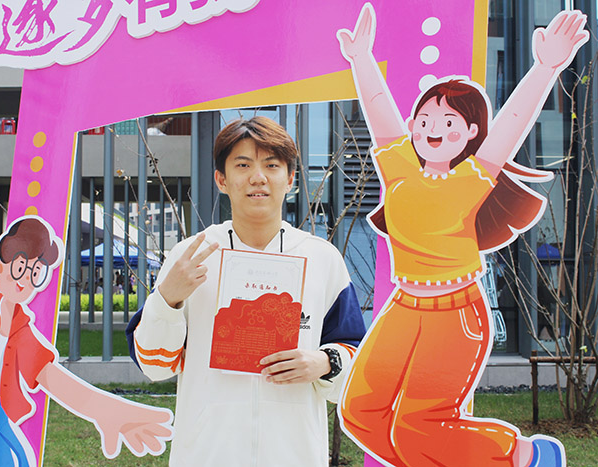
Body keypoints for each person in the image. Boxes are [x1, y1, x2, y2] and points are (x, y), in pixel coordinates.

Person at [336, 5, 588, 467]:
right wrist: (361, 59)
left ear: (470, 132)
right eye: (426, 120)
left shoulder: (472, 179)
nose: (433, 129)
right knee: (360, 414)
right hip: (404, 309)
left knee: (418, 428)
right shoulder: (399, 169)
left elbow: (511, 124)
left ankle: (525, 454)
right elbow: (378, 109)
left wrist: (545, 68)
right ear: (414, 126)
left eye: (449, 123)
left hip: (454, 316)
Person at [126, 116, 366, 466]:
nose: (258, 177)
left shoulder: (321, 259)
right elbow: (154, 365)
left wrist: (324, 362)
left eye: (272, 165)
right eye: (243, 165)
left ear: (291, 179)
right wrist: (168, 298)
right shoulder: (190, 256)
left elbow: (356, 356)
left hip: (294, 454)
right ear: (221, 179)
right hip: (207, 454)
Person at [0, 216, 172, 466]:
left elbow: (54, 379)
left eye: (36, 273)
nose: (26, 280)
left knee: (22, 462)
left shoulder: (22, 332)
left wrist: (108, 411)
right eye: (20, 268)